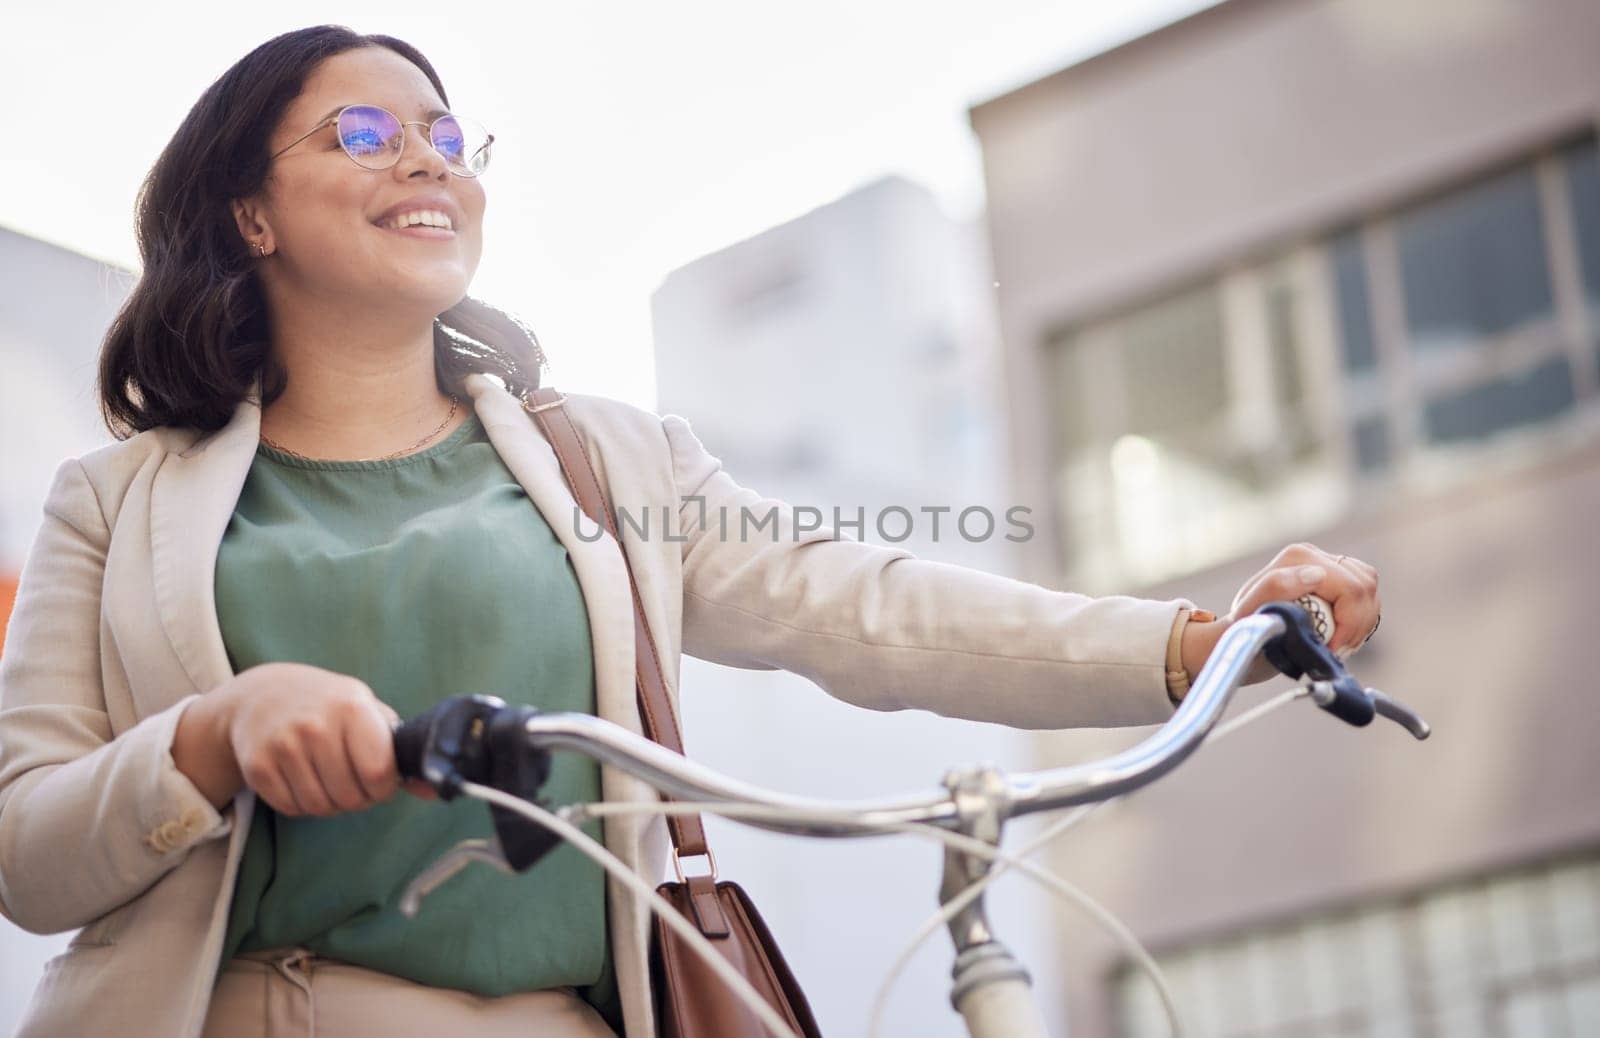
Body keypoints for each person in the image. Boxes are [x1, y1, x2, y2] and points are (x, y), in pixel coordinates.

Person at [0, 23, 1382, 1038]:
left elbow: (870, 603)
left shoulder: (606, 458)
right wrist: (209, 734)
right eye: (364, 133)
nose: (425, 158)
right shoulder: (115, 502)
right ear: (248, 209)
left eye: (443, 134)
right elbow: (27, 847)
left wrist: (1209, 637)